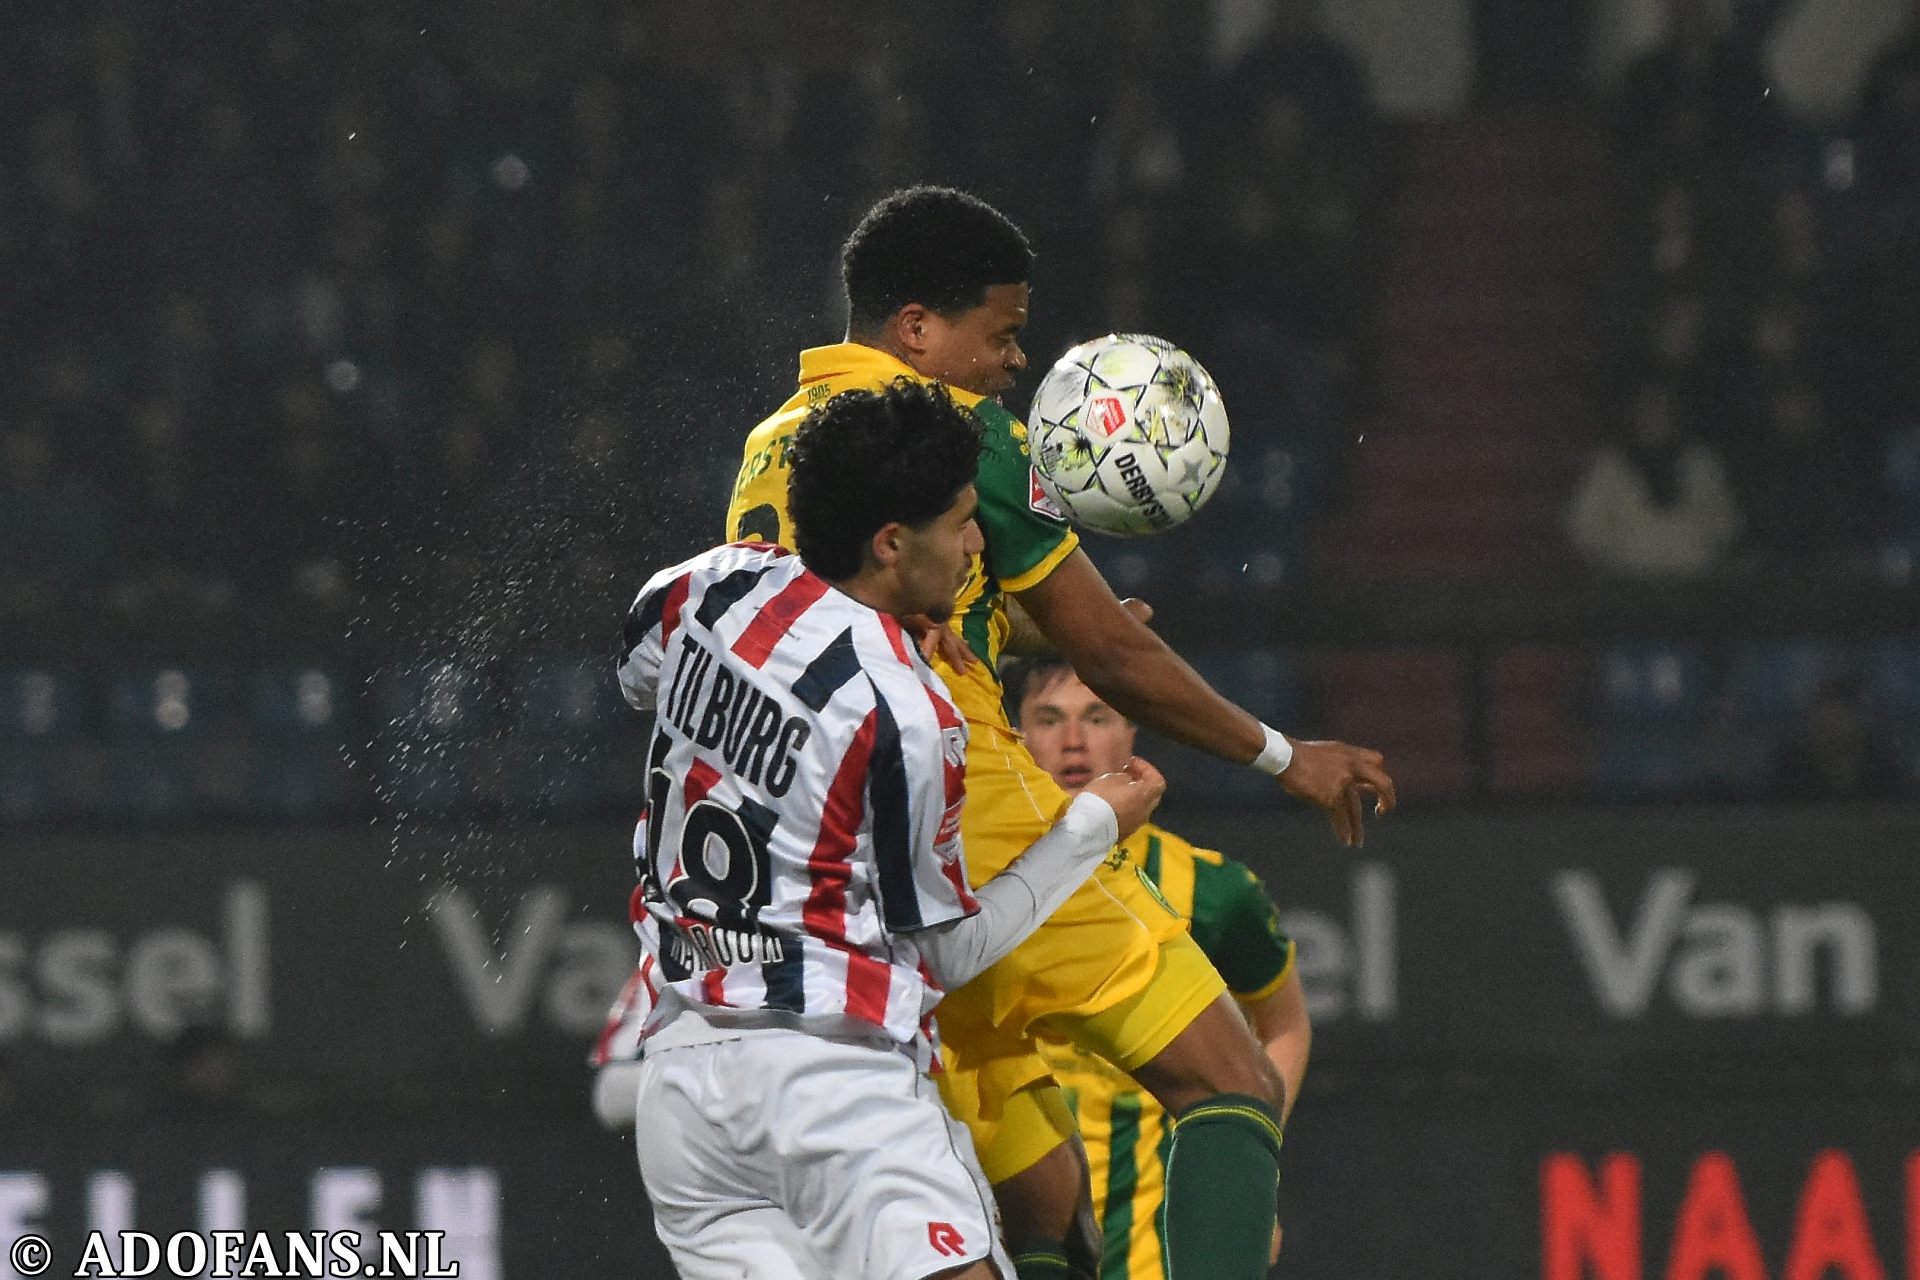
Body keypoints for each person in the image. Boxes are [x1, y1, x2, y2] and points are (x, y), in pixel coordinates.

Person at [726, 185, 1394, 1280]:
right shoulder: (954, 432)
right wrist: (1286, 754)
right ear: (917, 330)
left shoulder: (773, 444)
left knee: (1036, 1188)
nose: (1013, 363)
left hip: (831, 852)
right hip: (968, 802)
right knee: (1231, 1077)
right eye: (1001, 335)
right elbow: (1117, 657)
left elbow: (861, 602)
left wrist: (1015, 615)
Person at [616, 378, 1168, 1280]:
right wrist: (1091, 826)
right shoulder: (907, 709)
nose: (976, 542)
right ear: (889, 542)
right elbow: (947, 953)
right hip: (833, 1085)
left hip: (684, 1094)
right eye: (959, 523)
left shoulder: (704, 588)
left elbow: (639, 674)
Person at [1005, 656, 1311, 1280]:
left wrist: (1247, 1172)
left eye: (1098, 716)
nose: (1074, 741)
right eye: (1048, 718)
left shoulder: (1212, 890)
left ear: (1132, 731)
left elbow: (1284, 1025)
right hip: (1014, 1228)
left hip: (1160, 1249)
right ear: (1015, 735)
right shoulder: (975, 876)